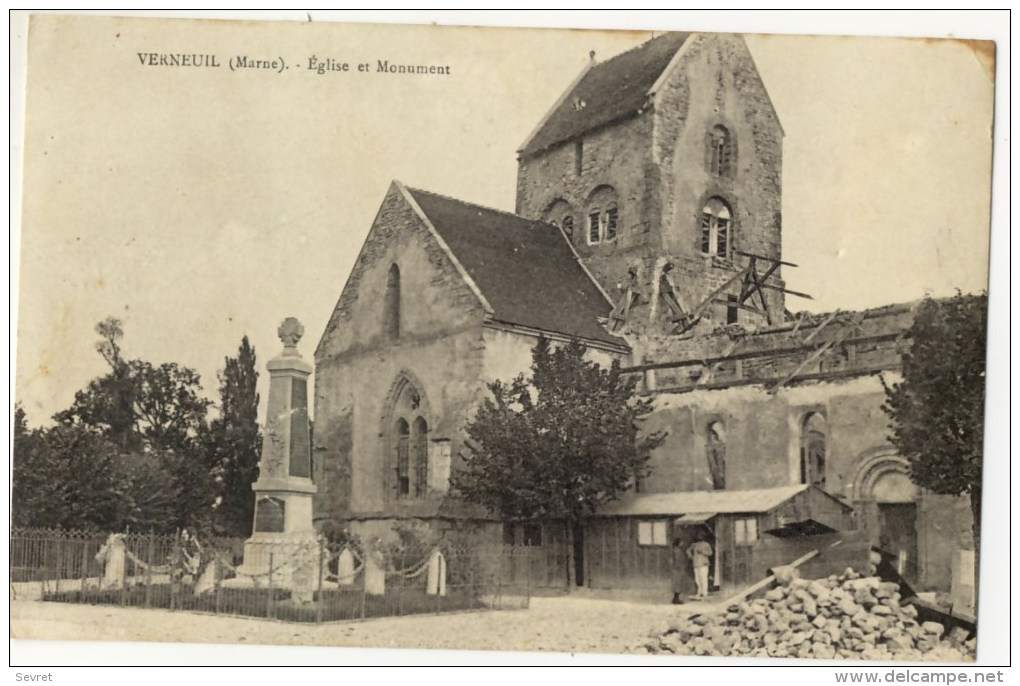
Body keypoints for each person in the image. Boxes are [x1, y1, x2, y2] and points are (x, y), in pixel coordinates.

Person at [687, 531, 713, 599]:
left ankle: (705, 593)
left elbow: (710, 553)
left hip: (704, 563)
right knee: (697, 579)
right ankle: (699, 592)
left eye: (701, 535)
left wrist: (703, 552)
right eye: (698, 535)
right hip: (696, 563)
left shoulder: (706, 544)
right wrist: (691, 556)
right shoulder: (694, 544)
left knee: (703, 578)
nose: (700, 537)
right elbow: (688, 550)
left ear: (704, 537)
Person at [670, 538, 685, 605]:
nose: (682, 544)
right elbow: (677, 560)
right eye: (681, 542)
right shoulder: (677, 550)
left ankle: (676, 598)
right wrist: (678, 567)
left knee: (677, 584)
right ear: (678, 543)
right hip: (677, 569)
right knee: (677, 584)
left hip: (677, 568)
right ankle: (676, 599)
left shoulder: (676, 550)